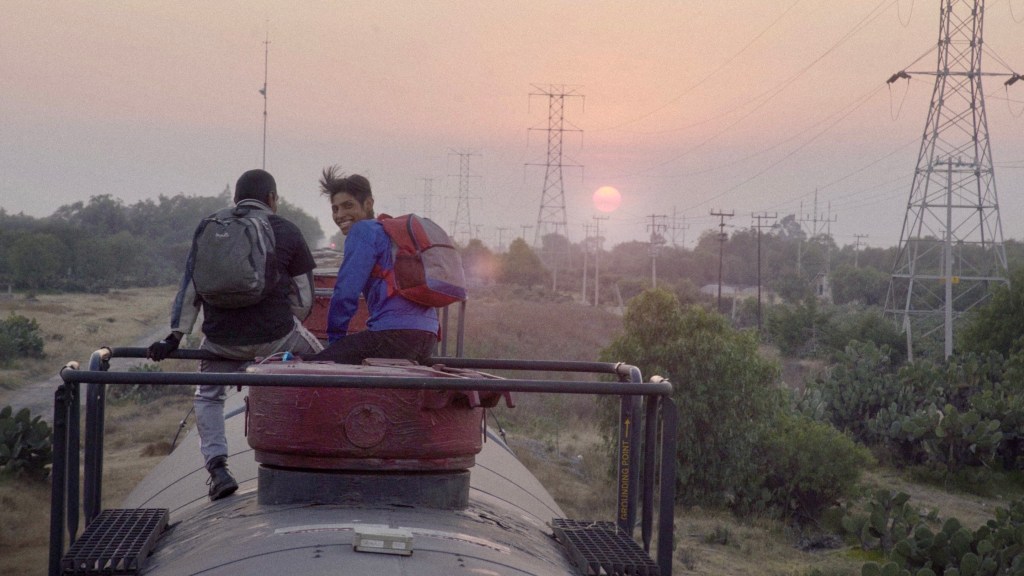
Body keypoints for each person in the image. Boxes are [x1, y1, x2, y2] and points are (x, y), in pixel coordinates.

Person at [146, 168, 323, 501]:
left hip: (220, 342)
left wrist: (175, 337)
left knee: (207, 396)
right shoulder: (287, 230)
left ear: (236, 200)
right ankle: (314, 454)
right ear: (273, 199)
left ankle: (217, 468)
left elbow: (189, 288)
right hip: (277, 336)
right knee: (323, 365)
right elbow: (304, 298)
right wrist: (281, 327)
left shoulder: (211, 228)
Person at [305, 166, 438, 364]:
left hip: (393, 334)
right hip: (428, 334)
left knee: (315, 370)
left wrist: (336, 340)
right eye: (335, 208)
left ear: (368, 204)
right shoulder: (389, 233)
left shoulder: (363, 231)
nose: (340, 214)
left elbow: (345, 293)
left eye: (348, 205)